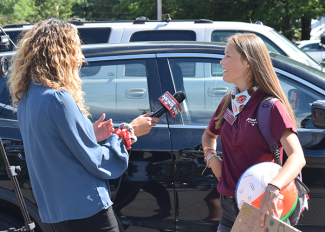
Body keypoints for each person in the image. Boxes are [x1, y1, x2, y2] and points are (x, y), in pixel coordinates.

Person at [8, 18, 159, 232]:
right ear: (61, 53)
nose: (82, 58)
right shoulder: (58, 98)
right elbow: (96, 161)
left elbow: (54, 145)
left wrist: (90, 134)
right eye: (77, 50)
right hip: (85, 207)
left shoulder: (27, 97)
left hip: (56, 211)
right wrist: (129, 131)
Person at [201, 33, 306, 232]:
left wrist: (273, 189)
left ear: (247, 62)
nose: (221, 61)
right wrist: (211, 157)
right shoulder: (228, 102)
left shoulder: (271, 107)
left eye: (227, 56)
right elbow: (208, 135)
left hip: (259, 208)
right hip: (227, 208)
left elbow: (297, 157)